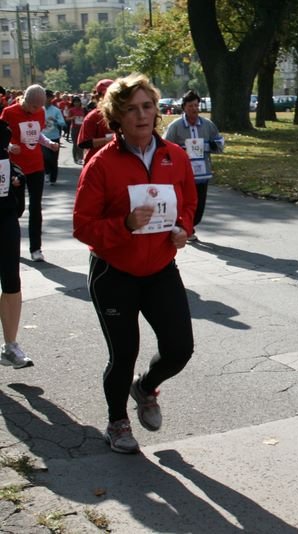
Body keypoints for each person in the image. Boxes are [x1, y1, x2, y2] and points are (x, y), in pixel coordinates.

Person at [73, 74, 198, 454]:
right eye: (131, 109)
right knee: (123, 354)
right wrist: (123, 225)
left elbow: (189, 204)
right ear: (117, 117)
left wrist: (183, 230)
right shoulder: (101, 164)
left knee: (180, 348)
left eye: (147, 106)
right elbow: (83, 226)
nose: (142, 115)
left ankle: (145, 387)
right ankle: (117, 422)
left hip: (160, 267)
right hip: (115, 273)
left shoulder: (173, 157)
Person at [0, 84, 59, 263]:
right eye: (33, 106)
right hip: (16, 167)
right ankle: (9, 242)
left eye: (38, 107)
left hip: (36, 165)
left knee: (36, 207)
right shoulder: (9, 113)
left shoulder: (40, 112)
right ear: (25, 100)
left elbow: (38, 134)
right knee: (17, 208)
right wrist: (10, 147)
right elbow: (1, 136)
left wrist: (49, 143)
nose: (35, 110)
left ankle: (36, 249)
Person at [163, 90, 224, 241]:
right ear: (184, 107)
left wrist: (206, 145)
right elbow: (165, 147)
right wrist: (182, 150)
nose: (194, 109)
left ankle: (191, 225)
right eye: (190, 106)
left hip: (203, 173)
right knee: (186, 203)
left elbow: (220, 144)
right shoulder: (175, 126)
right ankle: (187, 229)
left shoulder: (207, 125)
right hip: (184, 173)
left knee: (200, 204)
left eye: (196, 105)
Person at [0, 119, 32, 369]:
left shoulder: (2, 131)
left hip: (5, 221)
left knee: (11, 281)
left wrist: (17, 177)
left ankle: (10, 346)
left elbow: (12, 166)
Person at [76, 79, 114, 165]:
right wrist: (110, 139)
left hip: (116, 163)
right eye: (107, 95)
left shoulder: (124, 115)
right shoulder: (93, 117)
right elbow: (84, 143)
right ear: (98, 97)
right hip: (96, 164)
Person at [42, 89, 65, 185]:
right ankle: (47, 172)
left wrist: (55, 120)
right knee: (45, 157)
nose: (46, 99)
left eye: (48, 97)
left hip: (54, 137)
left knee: (53, 159)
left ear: (51, 98)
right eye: (45, 97)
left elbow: (63, 123)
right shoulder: (39, 109)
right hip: (42, 138)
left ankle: (53, 179)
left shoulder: (56, 110)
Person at [65, 96, 85, 164]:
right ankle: (75, 158)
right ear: (73, 103)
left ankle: (81, 158)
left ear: (80, 102)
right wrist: (72, 118)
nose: (77, 103)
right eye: (75, 102)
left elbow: (86, 117)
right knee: (75, 144)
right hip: (74, 128)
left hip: (81, 128)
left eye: (78, 102)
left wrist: (83, 119)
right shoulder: (71, 110)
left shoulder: (83, 109)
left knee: (81, 143)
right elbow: (67, 119)